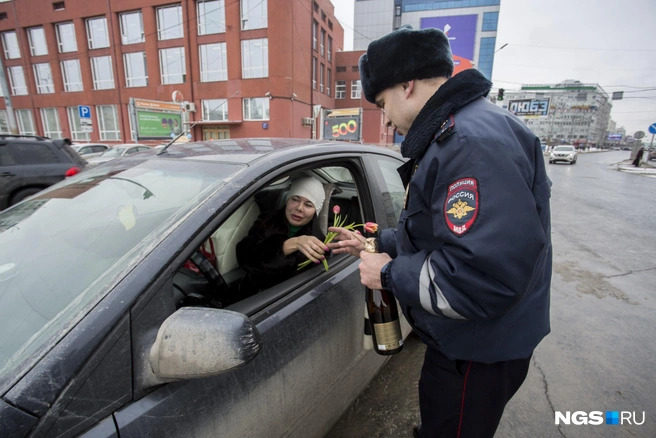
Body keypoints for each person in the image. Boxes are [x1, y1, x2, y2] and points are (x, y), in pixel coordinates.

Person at [328, 25, 552, 438]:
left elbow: (481, 278)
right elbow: (441, 235)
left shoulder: (467, 143)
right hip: (473, 340)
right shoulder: (464, 130)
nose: (386, 118)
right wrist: (379, 242)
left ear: (407, 85)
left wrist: (388, 274)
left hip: (477, 350)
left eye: (382, 103)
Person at [236, 176, 327, 296]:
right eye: (295, 199)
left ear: (316, 211)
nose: (299, 208)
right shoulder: (266, 221)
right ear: (287, 200)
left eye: (308, 205)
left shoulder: (317, 242)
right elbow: (244, 255)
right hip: (248, 296)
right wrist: (287, 245)